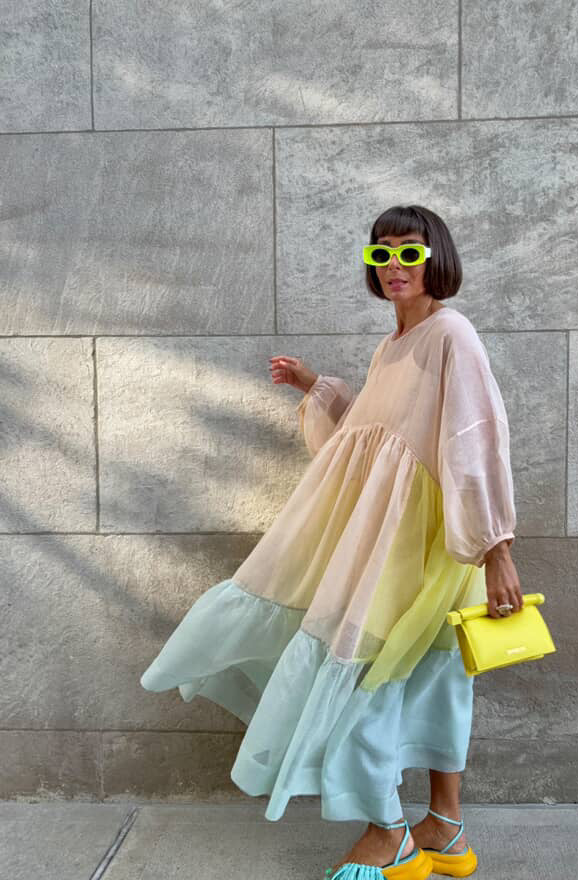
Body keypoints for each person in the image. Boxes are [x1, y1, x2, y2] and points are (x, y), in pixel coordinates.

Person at [140, 204, 522, 880]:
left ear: (436, 256)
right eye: (382, 253)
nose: (395, 264)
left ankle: (389, 835)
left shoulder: (450, 334)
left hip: (424, 547)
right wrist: (318, 388)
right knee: (430, 681)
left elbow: (477, 441)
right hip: (394, 544)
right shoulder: (393, 346)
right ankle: (445, 829)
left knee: (374, 676)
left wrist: (498, 551)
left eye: (409, 251)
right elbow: (368, 438)